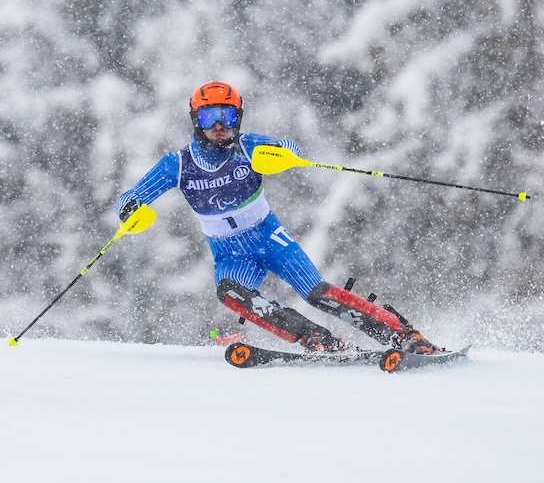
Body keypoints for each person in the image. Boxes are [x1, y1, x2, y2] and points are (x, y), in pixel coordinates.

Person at [115, 82, 439, 355]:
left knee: (317, 293)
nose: (218, 125)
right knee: (230, 292)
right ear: (195, 120)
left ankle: (404, 335)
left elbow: (287, 146)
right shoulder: (179, 164)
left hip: (270, 239)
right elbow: (130, 197)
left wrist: (280, 155)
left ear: (237, 118)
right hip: (230, 253)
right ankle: (316, 339)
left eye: (226, 116)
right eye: (209, 116)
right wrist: (129, 210)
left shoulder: (247, 146)